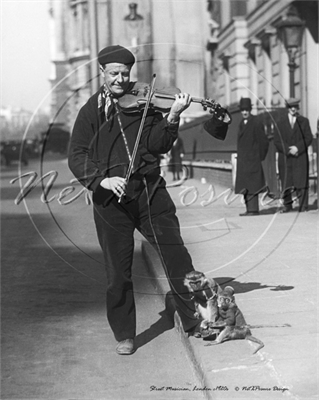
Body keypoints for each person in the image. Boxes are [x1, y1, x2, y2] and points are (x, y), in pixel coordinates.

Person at [68, 45, 230, 355]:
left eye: (125, 74)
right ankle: (125, 334)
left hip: (149, 192)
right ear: (101, 73)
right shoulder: (90, 111)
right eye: (114, 73)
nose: (120, 79)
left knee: (177, 256)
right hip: (109, 202)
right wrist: (100, 179)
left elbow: (158, 145)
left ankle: (196, 319)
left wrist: (171, 116)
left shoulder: (146, 102)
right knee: (118, 271)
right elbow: (76, 154)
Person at [273, 98, 313, 212]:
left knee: (301, 181)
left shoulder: (304, 121)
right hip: (285, 157)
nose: (293, 109)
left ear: (298, 108)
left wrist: (297, 148)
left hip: (300, 156)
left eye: (295, 106)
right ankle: (287, 205)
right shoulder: (280, 123)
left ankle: (303, 205)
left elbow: (308, 138)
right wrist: (287, 149)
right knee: (286, 181)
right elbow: (277, 141)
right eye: (291, 107)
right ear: (287, 108)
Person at [234, 98, 269, 216]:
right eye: (243, 110)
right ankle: (249, 209)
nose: (245, 112)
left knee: (253, 185)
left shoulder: (256, 122)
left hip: (253, 159)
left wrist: (259, 156)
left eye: (247, 110)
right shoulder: (241, 123)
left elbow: (264, 141)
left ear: (250, 110)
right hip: (244, 161)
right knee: (245, 185)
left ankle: (253, 210)